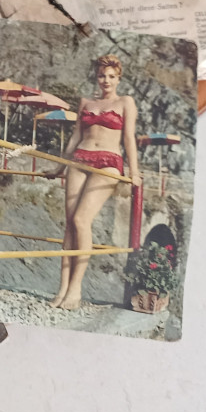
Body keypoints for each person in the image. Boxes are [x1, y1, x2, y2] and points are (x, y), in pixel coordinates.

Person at [50, 54, 142, 310]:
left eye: (111, 76)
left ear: (119, 78)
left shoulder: (126, 102)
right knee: (70, 225)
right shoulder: (86, 102)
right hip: (80, 159)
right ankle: (62, 289)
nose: (106, 80)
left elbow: (129, 138)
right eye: (102, 75)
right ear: (96, 76)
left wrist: (134, 172)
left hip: (109, 162)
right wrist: (59, 167)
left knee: (81, 220)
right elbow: (75, 137)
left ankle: (75, 289)